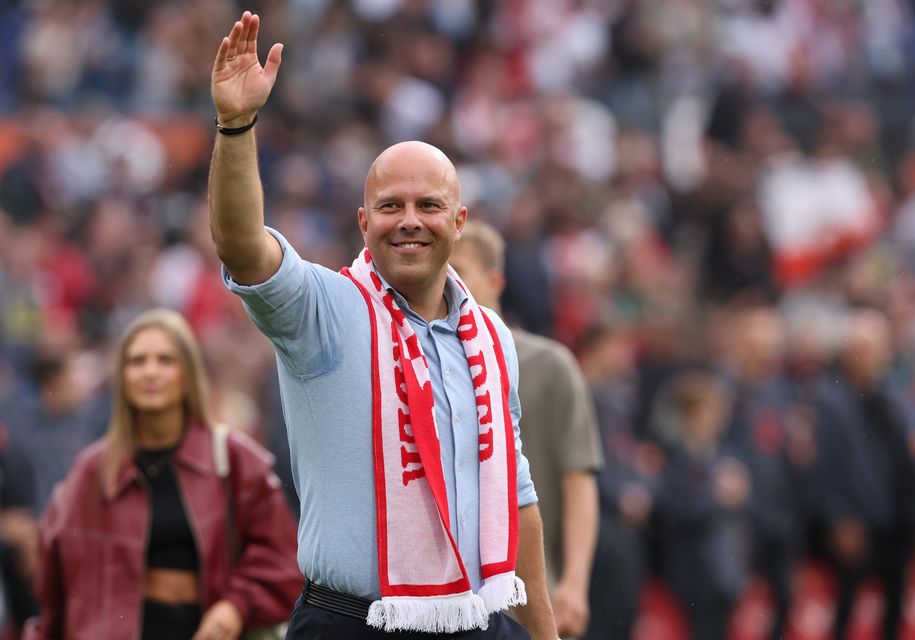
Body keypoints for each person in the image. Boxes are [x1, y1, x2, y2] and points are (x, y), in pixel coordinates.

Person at [208, 11, 556, 640]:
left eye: (429, 205)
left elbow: (518, 500)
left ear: (458, 220)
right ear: (363, 221)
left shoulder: (492, 338)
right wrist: (237, 126)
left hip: (475, 618)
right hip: (352, 623)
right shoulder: (324, 310)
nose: (410, 220)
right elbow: (241, 245)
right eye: (391, 206)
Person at [24, 308, 301, 640]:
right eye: (137, 361)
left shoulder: (234, 460)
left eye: (165, 360)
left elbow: (281, 561)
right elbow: (55, 586)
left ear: (189, 373)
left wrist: (235, 605)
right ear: (121, 376)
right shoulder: (92, 471)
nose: (150, 372)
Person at [450, 221, 603, 639]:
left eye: (459, 270)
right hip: (451, 598)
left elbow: (579, 479)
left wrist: (574, 581)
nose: (449, 282)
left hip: (534, 590)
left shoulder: (550, 365)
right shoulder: (419, 362)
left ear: (495, 280)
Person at [813, 308, 915, 640]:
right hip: (857, 522)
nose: (875, 355)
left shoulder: (893, 395)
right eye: (867, 348)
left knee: (893, 606)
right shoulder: (832, 400)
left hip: (897, 518)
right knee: (847, 606)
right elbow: (826, 466)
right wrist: (840, 518)